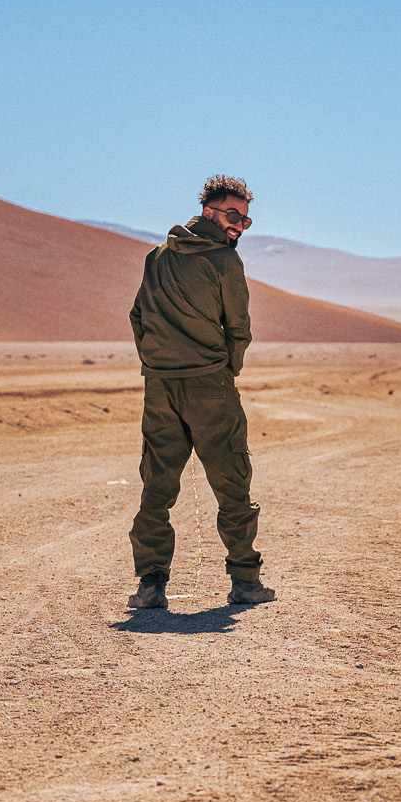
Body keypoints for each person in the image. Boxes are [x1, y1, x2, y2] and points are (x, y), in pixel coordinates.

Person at [125, 174, 276, 609]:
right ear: (209, 212)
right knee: (232, 484)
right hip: (209, 385)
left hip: (160, 388)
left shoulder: (156, 256)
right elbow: (240, 329)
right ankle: (245, 582)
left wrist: (157, 363)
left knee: (156, 487)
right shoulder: (224, 262)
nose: (238, 227)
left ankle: (150, 586)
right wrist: (226, 368)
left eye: (245, 222)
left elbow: (137, 317)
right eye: (232, 216)